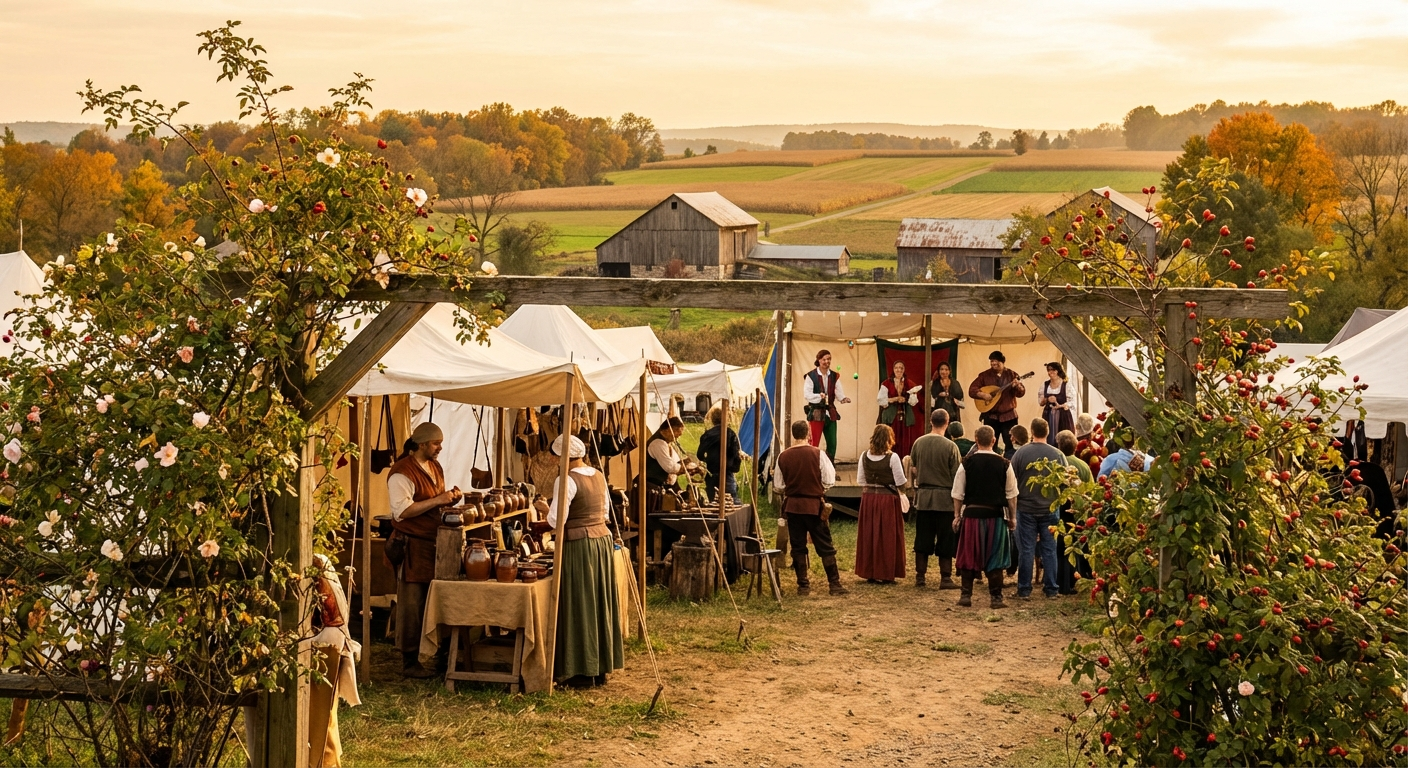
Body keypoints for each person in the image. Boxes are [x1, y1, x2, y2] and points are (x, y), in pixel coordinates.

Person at [547, 434, 625, 687]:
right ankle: (598, 668)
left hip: (579, 545)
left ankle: (580, 671)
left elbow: (556, 519)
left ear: (562, 457)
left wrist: (542, 508)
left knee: (579, 603)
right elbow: (603, 512)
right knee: (597, 602)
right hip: (601, 541)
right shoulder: (598, 475)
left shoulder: (567, 479)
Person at [387, 422, 462, 678]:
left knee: (437, 600)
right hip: (412, 545)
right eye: (435, 443)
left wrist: (449, 498)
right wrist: (439, 500)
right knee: (413, 603)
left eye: (440, 443)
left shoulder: (434, 466)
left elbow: (434, 499)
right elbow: (403, 511)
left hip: (434, 544)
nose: (439, 448)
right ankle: (409, 661)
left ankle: (442, 655)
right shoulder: (401, 472)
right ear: (421, 444)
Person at [774, 420, 848, 596]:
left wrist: (794, 488)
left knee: (798, 546)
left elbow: (778, 485)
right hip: (814, 506)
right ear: (808, 434)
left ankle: (803, 586)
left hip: (793, 507)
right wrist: (816, 488)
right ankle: (834, 584)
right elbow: (829, 480)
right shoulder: (818, 454)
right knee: (825, 545)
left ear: (793, 435)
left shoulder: (783, 456)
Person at [951, 425, 1018, 608]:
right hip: (995, 517)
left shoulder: (967, 463)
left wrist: (957, 515)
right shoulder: (1005, 464)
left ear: (976, 440)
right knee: (995, 556)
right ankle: (996, 598)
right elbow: (1012, 495)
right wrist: (1012, 518)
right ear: (994, 441)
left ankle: (966, 596)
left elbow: (958, 493)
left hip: (972, 516)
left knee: (968, 555)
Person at [1011, 418, 1065, 600]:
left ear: (1031, 432)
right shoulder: (1058, 455)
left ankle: (1024, 589)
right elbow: (1065, 482)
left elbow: (1012, 481)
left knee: (1026, 549)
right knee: (1050, 549)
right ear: (1048, 431)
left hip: (1026, 508)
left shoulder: (1020, 454)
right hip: (1050, 509)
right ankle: (1051, 589)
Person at [909, 409, 962, 589]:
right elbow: (956, 475)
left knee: (923, 537)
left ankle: (920, 576)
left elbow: (914, 467)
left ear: (931, 422)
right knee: (946, 538)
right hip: (945, 500)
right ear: (947, 423)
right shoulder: (950, 447)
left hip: (924, 498)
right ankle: (945, 578)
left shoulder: (918, 443)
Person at [856, 424, 907, 583]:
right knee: (888, 535)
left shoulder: (864, 456)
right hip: (887, 501)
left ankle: (870, 572)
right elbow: (900, 482)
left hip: (869, 500)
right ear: (889, 439)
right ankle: (886, 572)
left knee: (870, 534)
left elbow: (861, 480)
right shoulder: (893, 457)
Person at [1055, 430, 1093, 595]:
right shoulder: (1083, 466)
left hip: (1061, 509)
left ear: (1059, 446)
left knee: (1062, 546)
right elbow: (1091, 489)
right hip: (1080, 511)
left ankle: (1062, 582)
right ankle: (1081, 578)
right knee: (1079, 546)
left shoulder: (1056, 465)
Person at [969, 351, 1026, 457]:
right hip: (991, 416)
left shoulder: (1012, 375)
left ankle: (1009, 467)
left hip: (1008, 416)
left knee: (1010, 445)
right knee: (989, 444)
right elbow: (972, 390)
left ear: (1002, 362)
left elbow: (1021, 393)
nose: (993, 364)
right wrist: (982, 395)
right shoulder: (984, 375)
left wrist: (1017, 386)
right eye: (992, 362)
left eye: (996, 362)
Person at [803, 350, 851, 462]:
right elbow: (807, 395)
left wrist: (843, 398)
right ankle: (812, 467)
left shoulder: (834, 376)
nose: (826, 361)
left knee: (832, 444)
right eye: (824, 359)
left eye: (828, 359)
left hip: (830, 413)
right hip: (816, 412)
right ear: (819, 360)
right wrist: (819, 396)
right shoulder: (811, 376)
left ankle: (830, 469)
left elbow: (838, 392)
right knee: (813, 443)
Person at [877, 359, 922, 458]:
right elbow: (881, 401)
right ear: (893, 369)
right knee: (890, 438)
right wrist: (895, 399)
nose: (899, 370)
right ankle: (889, 461)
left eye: (901, 368)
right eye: (896, 368)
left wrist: (911, 395)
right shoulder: (886, 383)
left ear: (904, 370)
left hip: (904, 417)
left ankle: (903, 462)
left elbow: (913, 403)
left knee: (904, 441)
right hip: (891, 418)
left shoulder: (909, 383)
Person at [696, 404, 742, 502]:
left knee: (713, 502)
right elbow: (735, 453)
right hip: (727, 472)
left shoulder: (708, 434)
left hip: (712, 472)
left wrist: (707, 460)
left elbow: (699, 454)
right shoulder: (730, 433)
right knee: (730, 501)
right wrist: (734, 466)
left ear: (713, 419)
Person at [1039, 362, 1076, 438]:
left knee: (1063, 437)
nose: (1050, 372)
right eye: (1049, 370)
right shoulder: (1045, 385)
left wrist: (1061, 405)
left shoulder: (1066, 384)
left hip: (1063, 416)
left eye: (1053, 370)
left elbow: (1072, 401)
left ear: (1058, 371)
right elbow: (1041, 402)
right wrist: (1047, 399)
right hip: (1048, 415)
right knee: (1048, 436)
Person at [930, 361, 965, 426]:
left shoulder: (955, 383)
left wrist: (950, 396)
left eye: (946, 369)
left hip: (953, 413)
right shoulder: (935, 383)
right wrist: (939, 395)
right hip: (939, 412)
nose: (944, 372)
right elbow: (932, 398)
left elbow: (960, 396)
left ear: (949, 371)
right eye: (941, 369)